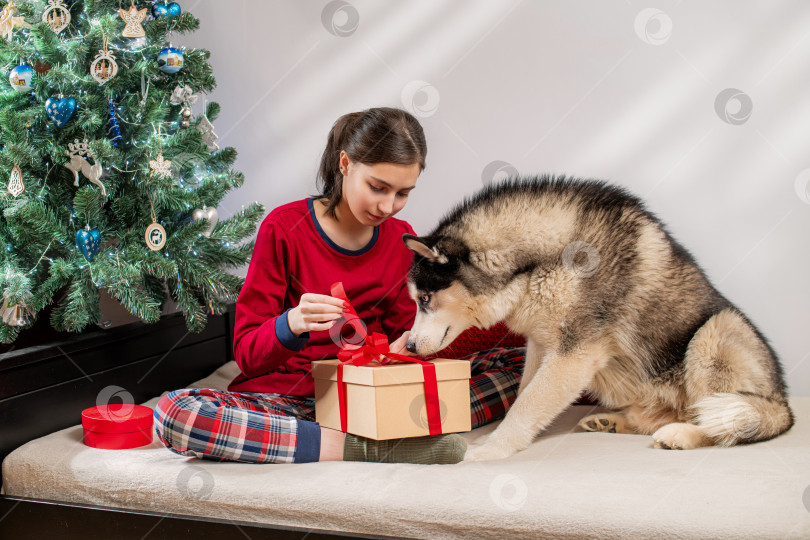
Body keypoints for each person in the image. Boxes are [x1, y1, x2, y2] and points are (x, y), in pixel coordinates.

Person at [154, 107, 525, 465]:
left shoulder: (403, 239)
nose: (388, 206)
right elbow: (248, 355)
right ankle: (368, 448)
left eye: (402, 193)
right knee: (178, 414)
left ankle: (367, 434)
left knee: (520, 363)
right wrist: (293, 323)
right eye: (378, 187)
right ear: (345, 165)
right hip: (293, 403)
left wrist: (406, 349)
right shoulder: (283, 228)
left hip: (371, 400)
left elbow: (403, 340)